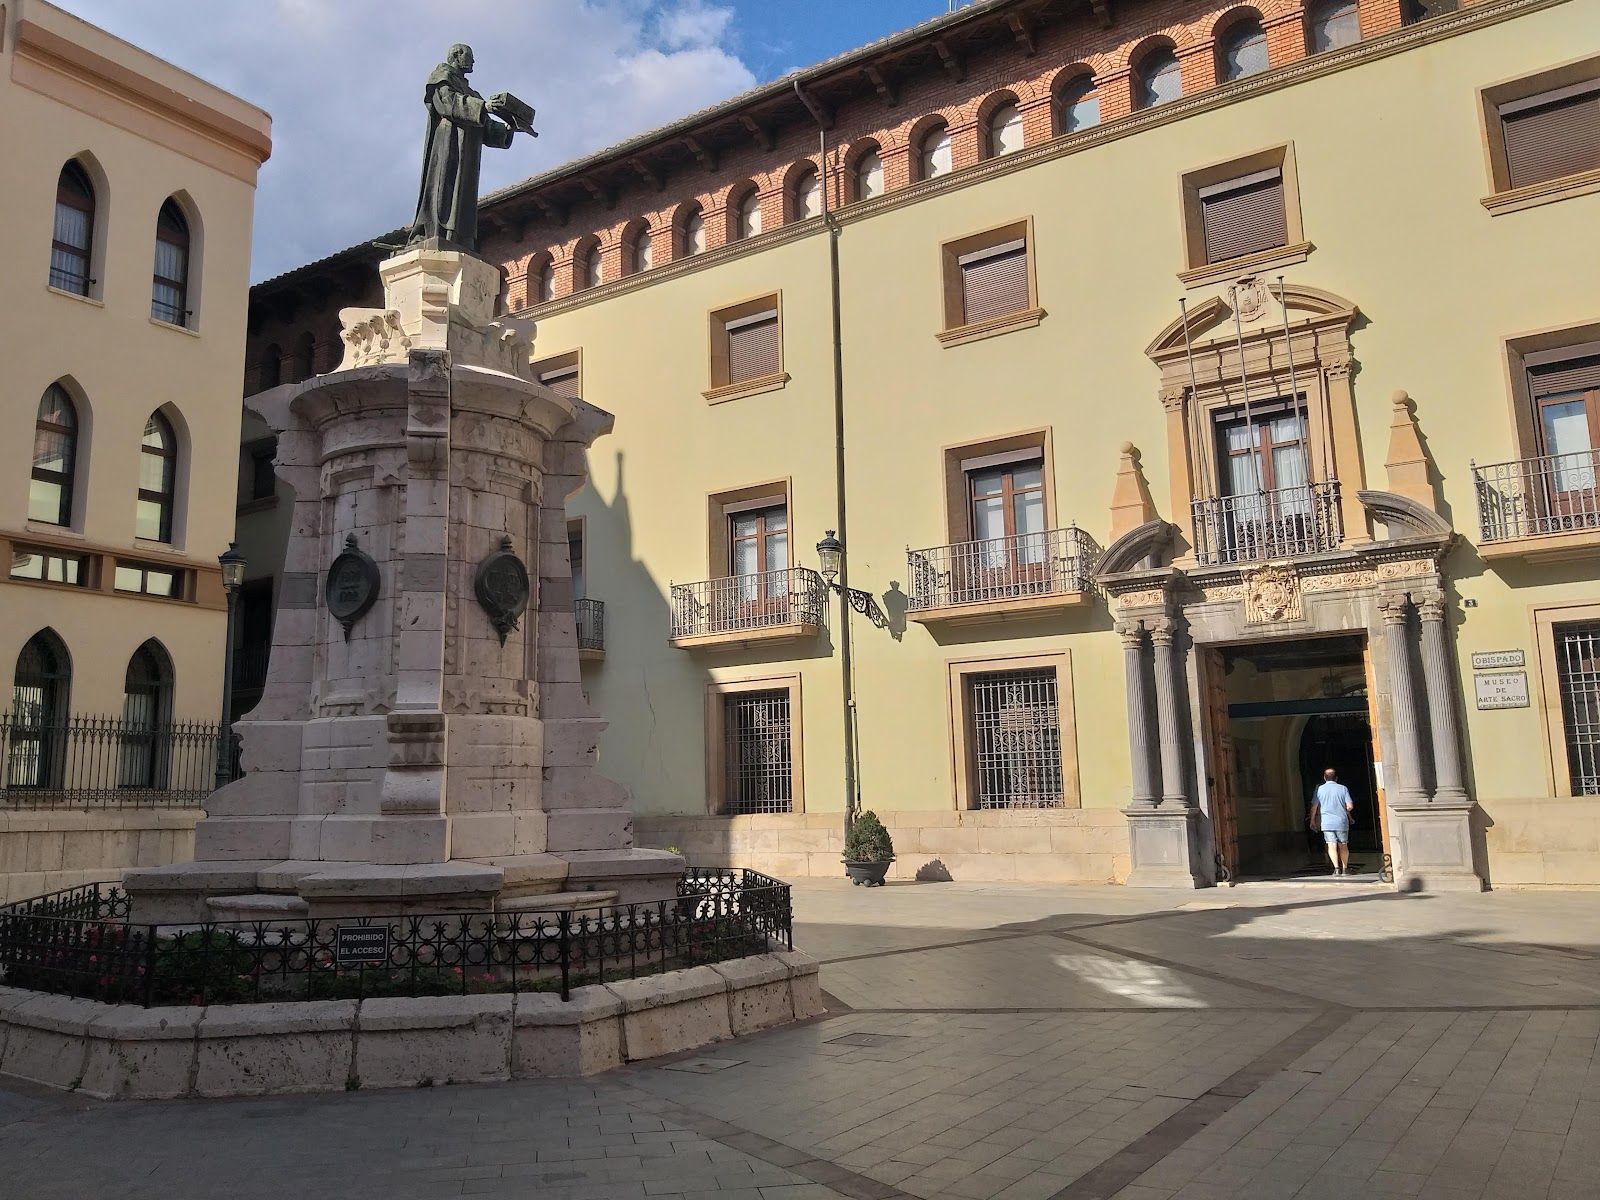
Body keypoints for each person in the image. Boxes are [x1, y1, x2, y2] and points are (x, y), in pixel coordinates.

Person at [1311, 767, 1356, 876]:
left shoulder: (1319, 789)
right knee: (1343, 845)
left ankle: (1336, 868)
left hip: (1326, 822)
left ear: (1324, 778)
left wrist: (1312, 820)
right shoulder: (1343, 788)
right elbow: (1349, 806)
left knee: (1331, 845)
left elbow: (1314, 806)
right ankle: (1345, 868)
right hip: (1341, 821)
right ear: (1336, 778)